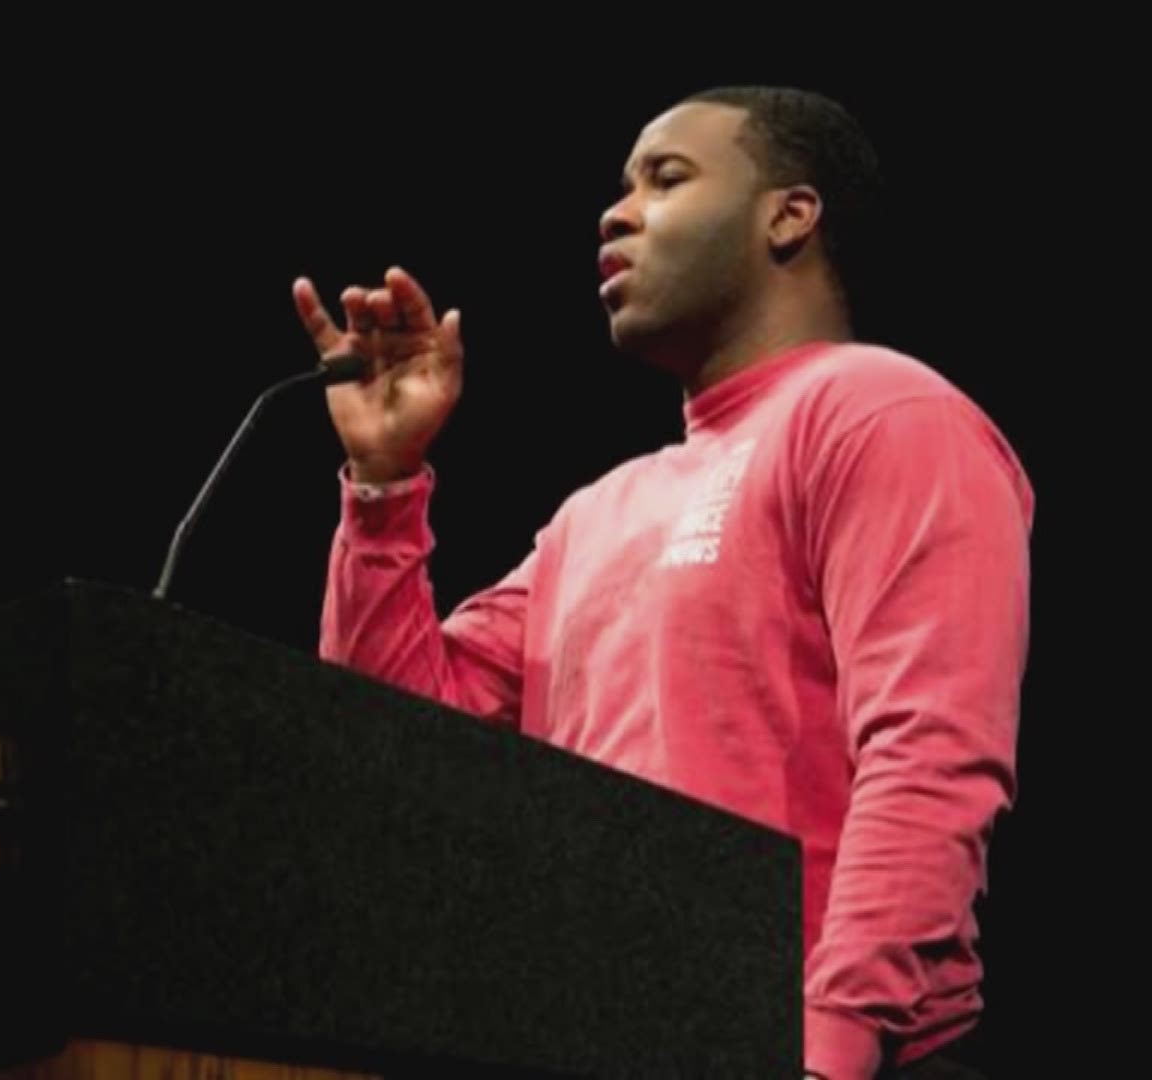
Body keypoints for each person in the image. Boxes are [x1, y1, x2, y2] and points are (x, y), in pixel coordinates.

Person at [295, 87, 1031, 1080]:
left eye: (666, 177)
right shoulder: (593, 517)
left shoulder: (881, 413)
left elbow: (931, 758)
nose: (616, 212)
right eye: (620, 185)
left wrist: (829, 1053)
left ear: (789, 215)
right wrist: (383, 487)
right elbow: (395, 755)